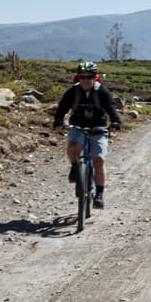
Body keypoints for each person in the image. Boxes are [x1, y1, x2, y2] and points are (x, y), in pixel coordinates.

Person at [52, 61, 121, 208]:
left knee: (98, 160)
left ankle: (99, 194)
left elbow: (111, 107)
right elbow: (63, 106)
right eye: (82, 77)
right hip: (79, 126)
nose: (85, 80)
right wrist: (58, 121)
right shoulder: (73, 92)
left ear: (95, 77)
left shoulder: (102, 91)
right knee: (72, 148)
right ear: (78, 78)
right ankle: (75, 166)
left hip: (98, 128)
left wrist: (115, 122)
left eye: (89, 77)